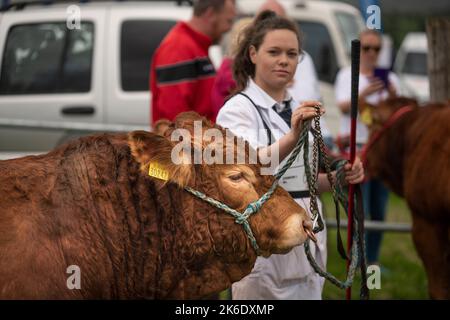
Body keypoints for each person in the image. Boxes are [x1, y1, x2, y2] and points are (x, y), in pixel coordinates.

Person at [216, 10, 365, 299]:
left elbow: (303, 183)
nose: (284, 60)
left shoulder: (301, 107)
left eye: (292, 53)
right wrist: (293, 135)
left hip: (308, 241)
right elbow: (248, 167)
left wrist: (339, 177)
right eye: (274, 52)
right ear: (253, 54)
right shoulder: (237, 110)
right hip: (265, 244)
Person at [334, 29, 401, 266]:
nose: (372, 53)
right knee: (359, 209)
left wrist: (391, 95)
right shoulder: (347, 74)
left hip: (381, 153)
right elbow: (342, 107)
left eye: (377, 48)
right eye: (367, 48)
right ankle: (356, 259)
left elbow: (397, 115)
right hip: (357, 150)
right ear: (358, 49)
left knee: (379, 210)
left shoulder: (390, 79)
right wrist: (362, 96)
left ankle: (372, 261)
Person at [150, 0, 236, 125]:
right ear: (210, 14)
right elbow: (175, 118)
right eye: (228, 21)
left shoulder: (195, 46)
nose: (229, 28)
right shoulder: (178, 48)